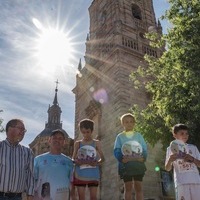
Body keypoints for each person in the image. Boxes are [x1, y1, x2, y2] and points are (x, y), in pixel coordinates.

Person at [114, 113, 147, 200]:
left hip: (138, 165)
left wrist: (143, 158)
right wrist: (121, 158)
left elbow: (144, 148)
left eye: (131, 122)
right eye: (126, 122)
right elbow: (117, 149)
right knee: (128, 188)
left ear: (134, 123)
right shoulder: (120, 137)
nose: (129, 124)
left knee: (138, 187)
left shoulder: (139, 135)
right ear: (123, 124)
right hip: (126, 166)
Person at [33, 129, 73, 200]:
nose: (57, 140)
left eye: (60, 138)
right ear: (49, 141)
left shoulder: (69, 162)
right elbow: (32, 180)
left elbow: (72, 182)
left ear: (64, 142)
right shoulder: (38, 160)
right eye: (54, 138)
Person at [0, 119, 34, 200]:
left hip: (17, 197)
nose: (23, 132)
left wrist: (30, 194)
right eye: (21, 129)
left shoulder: (28, 152)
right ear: (9, 129)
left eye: (24, 130)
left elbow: (30, 175)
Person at [165, 123, 200, 200]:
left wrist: (193, 159)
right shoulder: (170, 149)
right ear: (175, 135)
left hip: (196, 182)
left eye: (187, 133)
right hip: (181, 183)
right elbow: (167, 168)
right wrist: (170, 160)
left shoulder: (193, 148)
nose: (185, 135)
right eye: (182, 133)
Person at [72, 119, 105, 200]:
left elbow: (103, 159)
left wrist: (96, 163)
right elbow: (73, 158)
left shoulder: (96, 143)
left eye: (87, 132)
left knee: (93, 197)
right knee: (81, 198)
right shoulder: (77, 143)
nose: (85, 134)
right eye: (83, 132)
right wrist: (76, 162)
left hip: (93, 175)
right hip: (80, 174)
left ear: (92, 131)